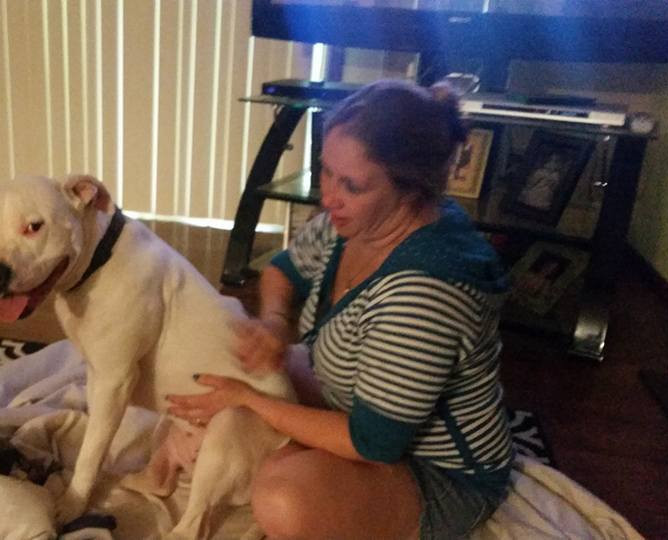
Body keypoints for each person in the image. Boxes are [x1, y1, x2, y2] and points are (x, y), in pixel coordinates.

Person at [167, 79, 514, 539]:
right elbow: (282, 271)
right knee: (238, 358)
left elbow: (372, 443)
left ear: (410, 191)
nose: (328, 196)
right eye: (326, 172)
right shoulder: (352, 222)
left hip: (435, 472)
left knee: (282, 499)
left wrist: (249, 400)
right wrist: (274, 323)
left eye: (351, 184)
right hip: (354, 405)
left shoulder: (423, 292)